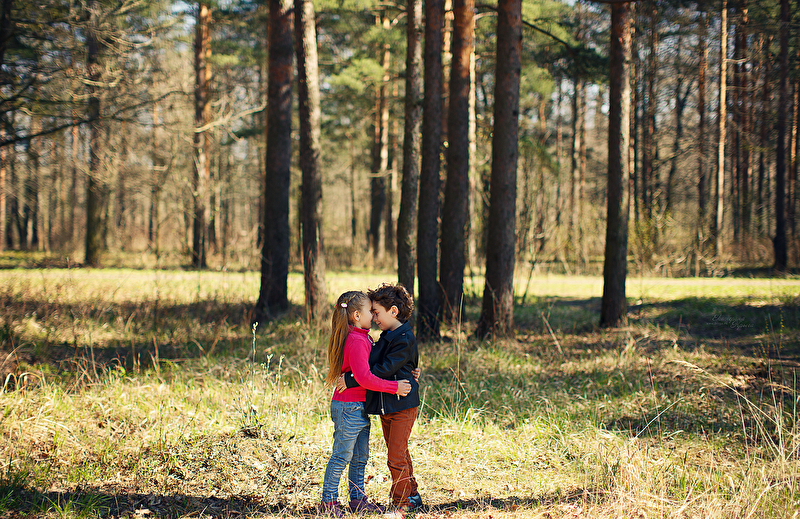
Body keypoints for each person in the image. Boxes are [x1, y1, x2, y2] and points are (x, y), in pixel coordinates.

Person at [321, 290, 412, 517]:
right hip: (349, 407)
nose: (373, 316)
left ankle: (357, 500)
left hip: (359, 406)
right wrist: (394, 387)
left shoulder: (362, 337)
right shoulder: (356, 340)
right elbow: (365, 377)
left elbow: (379, 366)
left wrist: (410, 371)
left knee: (360, 458)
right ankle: (328, 502)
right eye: (370, 311)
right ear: (356, 316)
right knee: (341, 456)